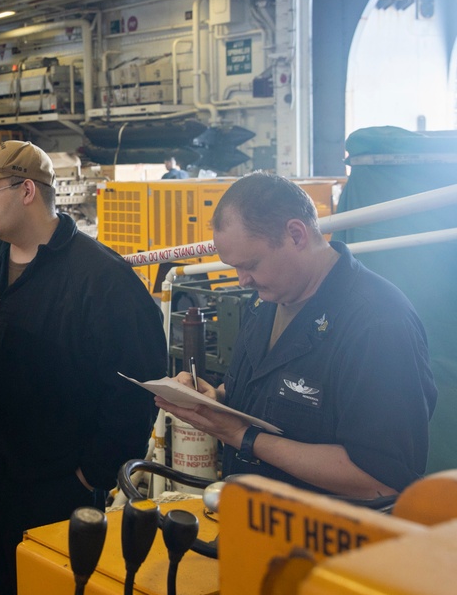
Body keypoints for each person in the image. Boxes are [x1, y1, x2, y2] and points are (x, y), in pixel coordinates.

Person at [0, 141, 167, 595]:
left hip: (54, 490)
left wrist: (88, 472)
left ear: (27, 190)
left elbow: (135, 387)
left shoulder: (101, 278)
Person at [156, 172, 436, 498]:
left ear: (295, 235)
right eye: (234, 267)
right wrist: (212, 402)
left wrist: (244, 438)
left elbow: (381, 478)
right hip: (251, 521)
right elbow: (254, 393)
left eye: (251, 264)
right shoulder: (268, 302)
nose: (242, 280)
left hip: (327, 540)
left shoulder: (379, 324)